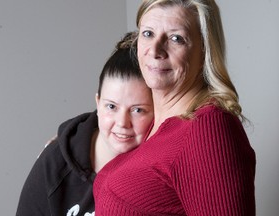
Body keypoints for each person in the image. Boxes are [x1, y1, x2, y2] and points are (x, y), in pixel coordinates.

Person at [93, 0, 256, 215]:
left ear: (205, 51)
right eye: (148, 33)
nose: (155, 50)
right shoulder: (151, 122)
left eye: (176, 38)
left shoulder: (209, 127)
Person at [15, 32, 154, 216]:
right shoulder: (56, 162)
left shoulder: (160, 166)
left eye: (138, 110)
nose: (122, 122)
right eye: (111, 106)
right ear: (98, 103)